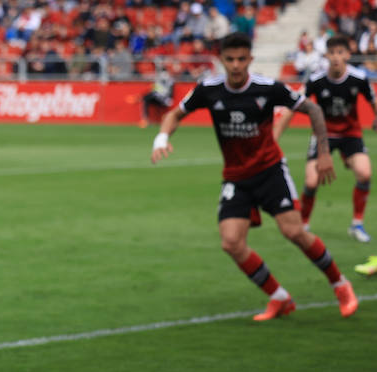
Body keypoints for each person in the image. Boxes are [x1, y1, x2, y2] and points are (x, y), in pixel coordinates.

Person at [152, 33, 359, 320]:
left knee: (294, 232)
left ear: (250, 59)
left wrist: (324, 153)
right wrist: (161, 138)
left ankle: (341, 285)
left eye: (241, 59)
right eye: (230, 59)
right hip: (236, 177)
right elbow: (175, 114)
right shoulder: (208, 89)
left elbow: (311, 108)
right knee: (231, 242)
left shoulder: (268, 87)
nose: (236, 65)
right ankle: (279, 297)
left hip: (270, 171)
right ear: (221, 60)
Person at [289, 34, 376, 243]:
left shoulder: (359, 78)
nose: (336, 57)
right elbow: (297, 104)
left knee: (365, 174)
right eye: (332, 53)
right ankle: (304, 225)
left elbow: (373, 100)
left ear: (347, 54)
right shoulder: (316, 80)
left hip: (350, 134)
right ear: (326, 55)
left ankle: (357, 224)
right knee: (311, 180)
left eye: (340, 52)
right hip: (323, 135)